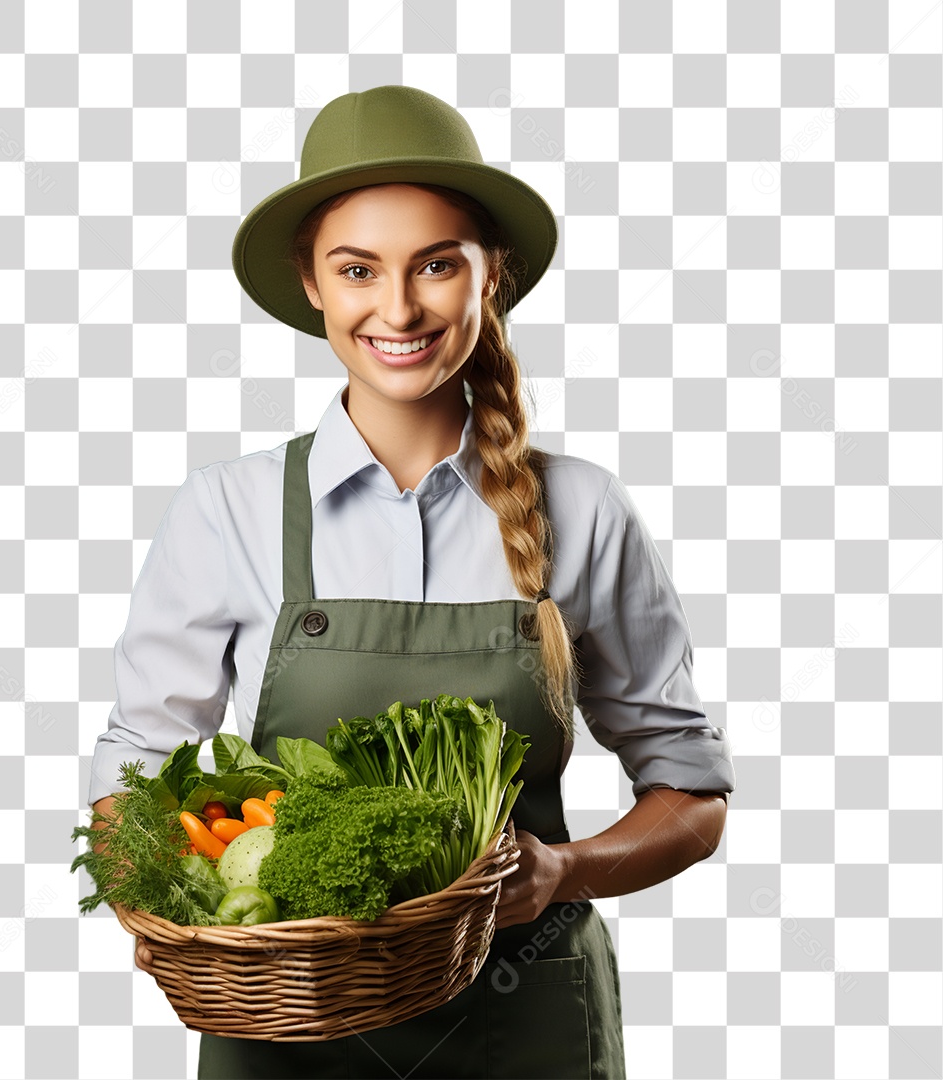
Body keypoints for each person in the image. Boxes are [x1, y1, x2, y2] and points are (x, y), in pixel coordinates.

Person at [87, 85, 736, 1079]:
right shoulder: (228, 509)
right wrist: (157, 904)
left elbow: (690, 796)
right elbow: (139, 758)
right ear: (311, 283)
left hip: (528, 1024)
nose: (397, 308)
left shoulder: (585, 511)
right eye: (358, 270)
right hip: (288, 1027)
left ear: (494, 277)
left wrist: (562, 871)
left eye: (437, 264)